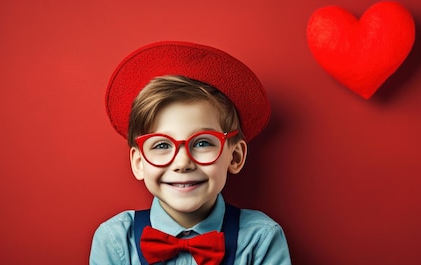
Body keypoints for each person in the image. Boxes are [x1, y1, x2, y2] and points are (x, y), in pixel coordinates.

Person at [90, 41, 291, 265]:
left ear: (235, 157)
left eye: (203, 143)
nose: (183, 162)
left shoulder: (260, 240)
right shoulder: (115, 240)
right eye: (162, 145)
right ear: (139, 162)